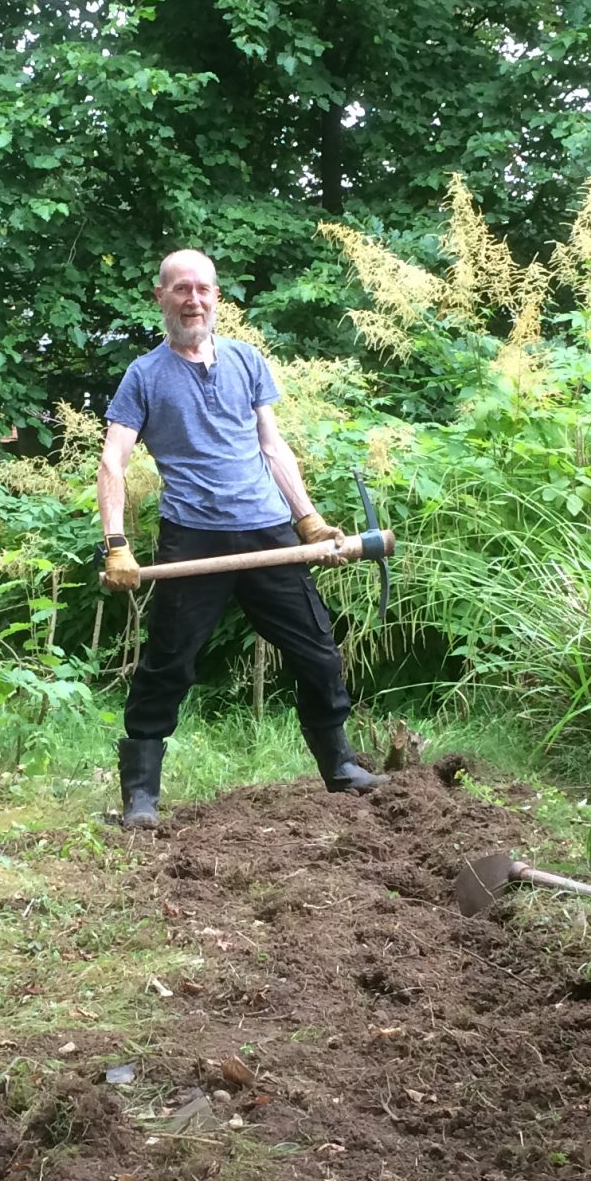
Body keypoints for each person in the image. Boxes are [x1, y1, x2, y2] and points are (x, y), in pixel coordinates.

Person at [96, 250, 386, 830]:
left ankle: (340, 767)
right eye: (181, 289)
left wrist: (307, 520)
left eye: (202, 289)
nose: (193, 300)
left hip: (267, 531)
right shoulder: (144, 375)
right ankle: (141, 797)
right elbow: (112, 461)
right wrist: (116, 543)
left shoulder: (247, 360)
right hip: (192, 536)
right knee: (168, 662)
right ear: (161, 297)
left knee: (317, 650)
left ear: (217, 297)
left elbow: (272, 447)